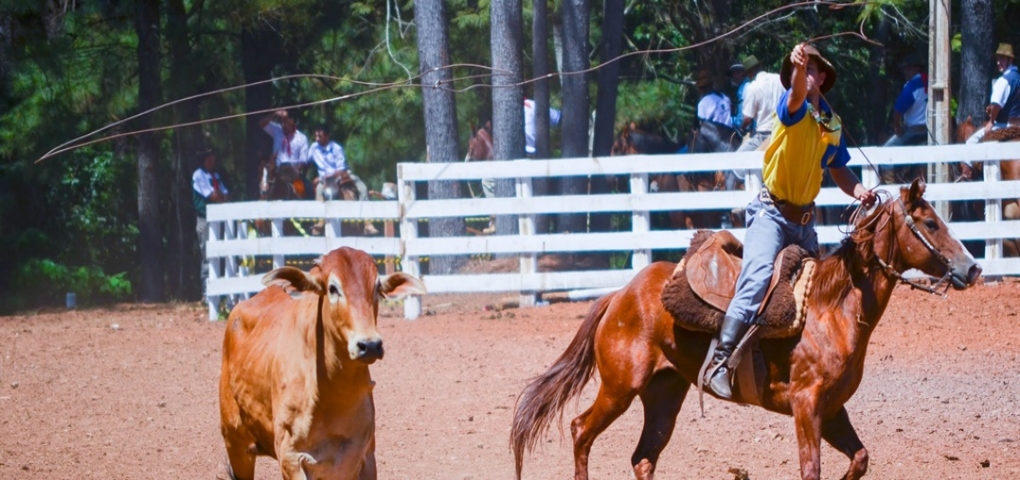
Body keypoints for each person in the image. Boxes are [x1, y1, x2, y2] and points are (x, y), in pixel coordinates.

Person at [702, 43, 878, 400]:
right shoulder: (791, 107)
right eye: (801, 70)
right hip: (771, 214)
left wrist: (858, 189)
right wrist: (798, 69)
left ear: (823, 77)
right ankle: (720, 362)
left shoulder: (830, 123)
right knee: (757, 277)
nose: (804, 75)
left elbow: (838, 168)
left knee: (820, 289)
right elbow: (798, 92)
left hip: (803, 223)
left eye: (812, 69)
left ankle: (803, 363)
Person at [961, 43, 1019, 180]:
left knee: (972, 141)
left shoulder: (1003, 80)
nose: (999, 62)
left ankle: (969, 174)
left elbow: (997, 104)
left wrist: (991, 121)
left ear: (1010, 60)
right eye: (998, 59)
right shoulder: (1018, 78)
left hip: (1006, 125)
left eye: (1003, 59)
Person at [728, 55, 785, 191]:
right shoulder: (779, 79)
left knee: (737, 161)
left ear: (749, 73)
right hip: (782, 131)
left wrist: (741, 128)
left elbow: (747, 118)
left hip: (763, 134)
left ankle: (751, 190)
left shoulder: (753, 87)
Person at [192, 149, 229, 291]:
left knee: (220, 253)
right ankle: (206, 290)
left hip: (218, 219)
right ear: (206, 159)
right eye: (210, 157)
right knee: (208, 255)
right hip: (205, 219)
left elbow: (225, 195)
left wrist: (220, 196)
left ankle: (220, 288)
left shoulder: (216, 175)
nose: (213, 160)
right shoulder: (198, 175)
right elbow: (213, 196)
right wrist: (219, 196)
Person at [260, 109, 311, 196]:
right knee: (266, 186)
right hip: (277, 171)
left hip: (294, 172)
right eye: (282, 121)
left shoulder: (302, 138)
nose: (284, 124)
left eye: (286, 120)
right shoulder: (277, 130)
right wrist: (274, 113)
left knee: (307, 189)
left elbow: (303, 161)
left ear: (292, 121)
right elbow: (262, 123)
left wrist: (295, 169)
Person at [884, 54, 929, 147]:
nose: (905, 72)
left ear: (917, 68)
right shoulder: (929, 82)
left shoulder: (911, 86)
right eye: (904, 69)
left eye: (908, 68)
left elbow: (897, 110)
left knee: (886, 151)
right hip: (930, 131)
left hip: (913, 131)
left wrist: (897, 126)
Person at [727, 59, 748, 135]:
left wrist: (728, 120)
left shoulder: (743, 89)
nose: (734, 76)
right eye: (733, 74)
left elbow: (741, 120)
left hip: (747, 130)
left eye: (736, 73)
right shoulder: (745, 86)